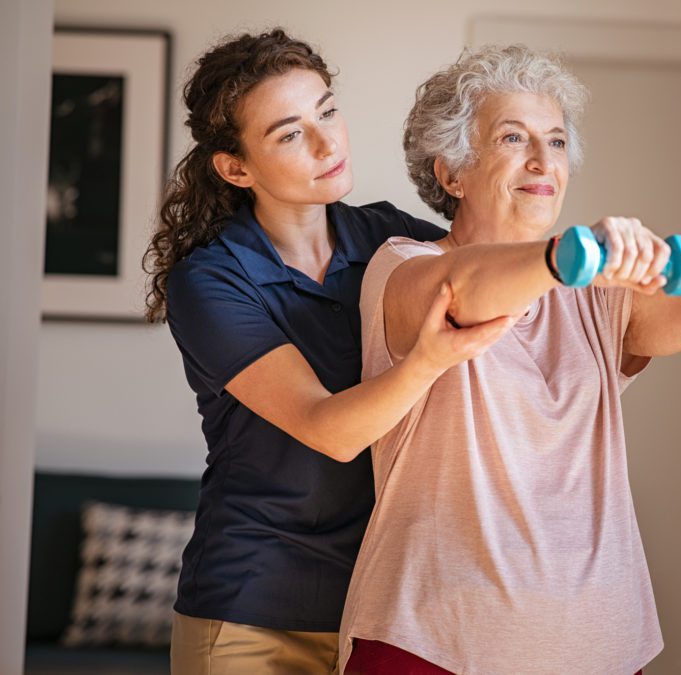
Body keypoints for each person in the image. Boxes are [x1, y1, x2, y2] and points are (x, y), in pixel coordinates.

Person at [338, 45, 681, 674]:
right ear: (451, 173)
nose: (542, 160)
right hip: (432, 647)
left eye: (556, 142)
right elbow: (463, 291)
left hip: (599, 651)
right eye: (512, 137)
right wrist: (568, 256)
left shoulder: (596, 292)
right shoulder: (403, 265)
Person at [142, 29, 517, 674]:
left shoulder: (389, 238)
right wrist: (428, 358)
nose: (326, 142)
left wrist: (620, 317)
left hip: (377, 608)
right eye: (289, 133)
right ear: (236, 168)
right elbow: (329, 430)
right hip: (252, 612)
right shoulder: (211, 281)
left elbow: (491, 281)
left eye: (327, 111)